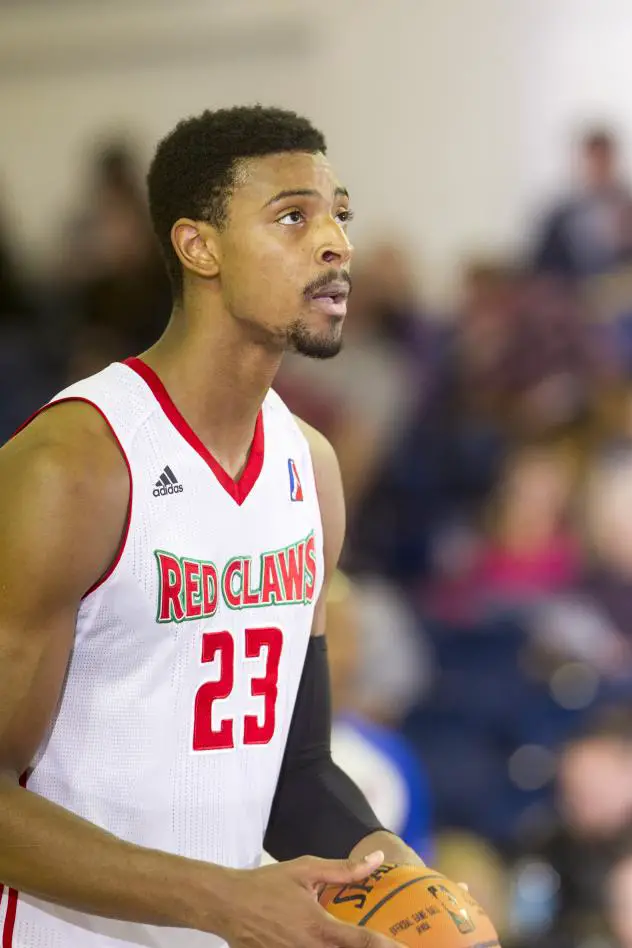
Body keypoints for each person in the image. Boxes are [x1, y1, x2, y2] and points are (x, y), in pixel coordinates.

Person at [0, 106, 421, 948]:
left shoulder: (313, 471)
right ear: (200, 248)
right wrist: (217, 898)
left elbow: (295, 772)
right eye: (294, 216)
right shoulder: (72, 466)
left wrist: (395, 874)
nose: (336, 242)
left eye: (341, 213)